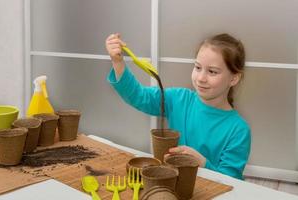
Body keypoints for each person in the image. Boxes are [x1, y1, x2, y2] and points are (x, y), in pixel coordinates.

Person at [105, 33, 251, 180]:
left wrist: (202, 163)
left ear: (234, 78)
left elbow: (231, 181)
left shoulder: (238, 130)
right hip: (170, 184)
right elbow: (139, 96)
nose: (201, 78)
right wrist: (118, 62)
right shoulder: (178, 99)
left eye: (212, 72)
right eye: (198, 67)